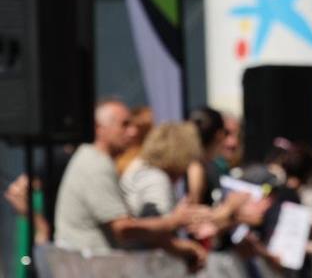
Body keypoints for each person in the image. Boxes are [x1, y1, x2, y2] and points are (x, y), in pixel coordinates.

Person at [52, 99, 206, 269]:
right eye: (124, 125)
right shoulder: (96, 165)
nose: (133, 132)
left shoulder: (98, 161)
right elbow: (124, 229)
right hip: (88, 273)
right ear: (99, 128)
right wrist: (174, 221)